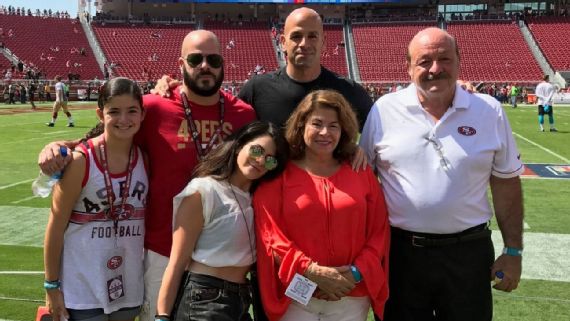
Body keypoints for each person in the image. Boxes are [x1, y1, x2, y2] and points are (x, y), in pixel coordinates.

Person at [38, 30, 257, 321]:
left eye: (213, 59)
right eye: (196, 58)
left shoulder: (244, 114)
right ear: (181, 64)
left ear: (223, 63)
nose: (205, 65)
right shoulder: (154, 107)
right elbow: (112, 132)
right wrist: (63, 147)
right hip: (161, 250)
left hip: (219, 256)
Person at [360, 27, 524, 321]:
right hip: (401, 254)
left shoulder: (488, 110)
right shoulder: (384, 110)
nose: (435, 69)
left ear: (459, 61)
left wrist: (513, 251)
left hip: (468, 254)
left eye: (444, 59)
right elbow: (360, 180)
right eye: (424, 61)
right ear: (408, 67)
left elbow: (506, 182)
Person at [254, 90, 390, 321]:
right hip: (297, 295)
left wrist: (355, 273)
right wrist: (313, 272)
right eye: (316, 123)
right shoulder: (279, 174)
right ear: (301, 125)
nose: (325, 132)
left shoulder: (360, 171)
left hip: (350, 294)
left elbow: (379, 230)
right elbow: (270, 234)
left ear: (344, 130)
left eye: (334, 126)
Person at [155, 121, 288, 321]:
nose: (261, 161)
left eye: (270, 160)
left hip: (243, 298)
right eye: (257, 150)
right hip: (204, 299)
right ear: (238, 146)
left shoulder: (259, 199)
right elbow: (177, 263)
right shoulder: (204, 190)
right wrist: (162, 316)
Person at [43, 77, 148, 321]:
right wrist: (51, 286)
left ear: (142, 114)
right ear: (100, 114)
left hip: (129, 287)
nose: (124, 119)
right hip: (82, 289)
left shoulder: (145, 158)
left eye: (132, 111)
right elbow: (56, 226)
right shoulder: (81, 161)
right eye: (114, 112)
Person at [239, 8, 372, 130]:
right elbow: (237, 144)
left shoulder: (351, 92)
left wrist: (358, 151)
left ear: (324, 42)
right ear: (283, 42)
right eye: (296, 36)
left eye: (312, 36)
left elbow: (376, 144)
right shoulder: (256, 90)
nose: (304, 44)